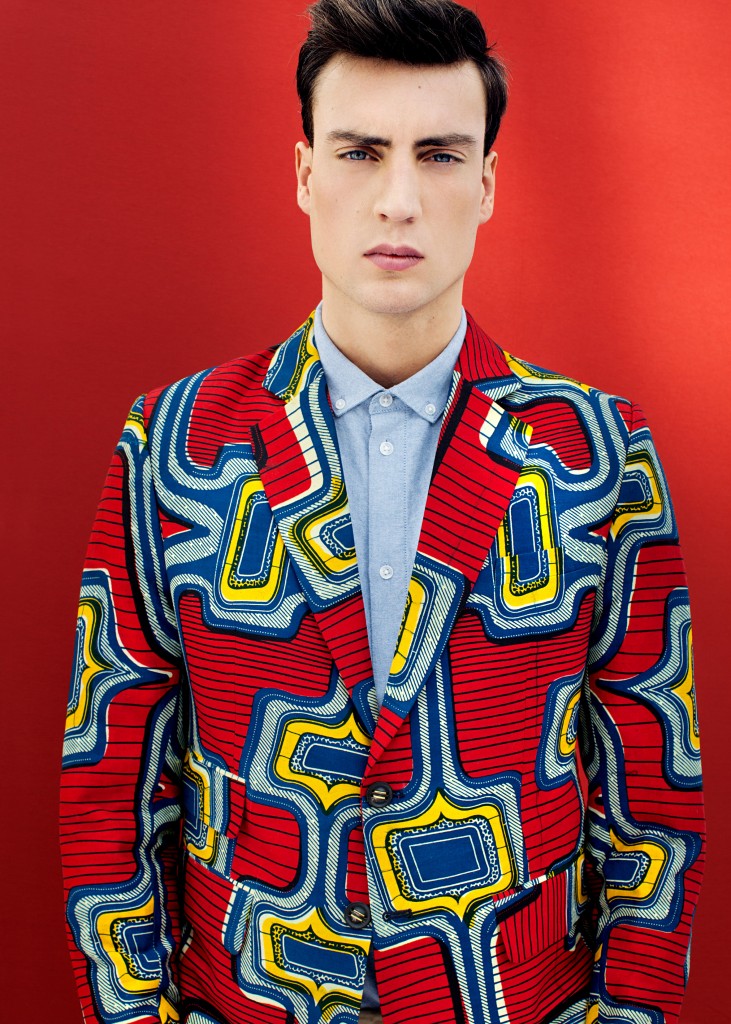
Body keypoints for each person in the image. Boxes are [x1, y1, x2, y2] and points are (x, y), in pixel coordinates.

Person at [59, 1, 706, 1022]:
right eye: (360, 152)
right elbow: (110, 784)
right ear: (305, 173)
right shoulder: (172, 441)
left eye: (438, 155)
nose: (398, 200)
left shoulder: (597, 449)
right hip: (250, 994)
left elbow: (652, 796)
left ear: (486, 182)